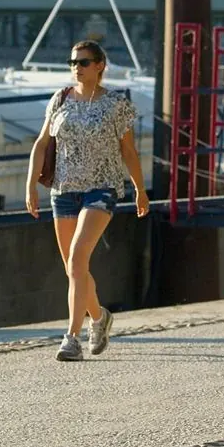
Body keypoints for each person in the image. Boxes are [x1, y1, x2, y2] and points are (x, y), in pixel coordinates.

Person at [26, 40, 149, 362]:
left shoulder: (116, 104)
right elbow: (41, 144)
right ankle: (99, 318)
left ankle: (71, 338)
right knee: (73, 268)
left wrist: (139, 188)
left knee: (79, 257)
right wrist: (30, 186)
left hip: (102, 189)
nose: (76, 68)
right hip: (63, 191)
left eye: (83, 62)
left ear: (100, 66)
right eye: (72, 62)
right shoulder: (60, 98)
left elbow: (129, 151)